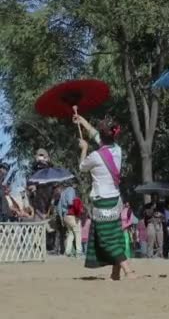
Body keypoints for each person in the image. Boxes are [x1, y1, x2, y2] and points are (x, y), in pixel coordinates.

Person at [73, 114, 136, 280]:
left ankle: (128, 271)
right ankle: (115, 273)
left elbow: (81, 167)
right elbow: (96, 136)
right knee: (115, 235)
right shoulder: (117, 150)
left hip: (103, 202)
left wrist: (84, 148)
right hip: (116, 199)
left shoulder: (95, 156)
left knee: (107, 239)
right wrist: (83, 121)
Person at [56, 182, 83, 257]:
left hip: (65, 216)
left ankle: (67, 251)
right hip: (71, 215)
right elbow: (70, 202)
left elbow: (59, 208)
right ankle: (78, 252)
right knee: (77, 233)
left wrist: (62, 219)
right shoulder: (71, 190)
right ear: (72, 184)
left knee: (71, 233)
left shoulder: (63, 193)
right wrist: (77, 202)